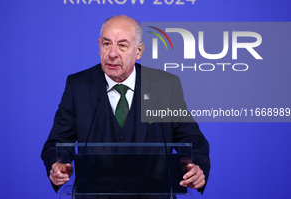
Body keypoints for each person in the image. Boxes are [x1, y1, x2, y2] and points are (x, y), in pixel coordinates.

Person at [41, 15, 210, 196]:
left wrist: (196, 166)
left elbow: (192, 138)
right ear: (99, 46)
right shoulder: (78, 86)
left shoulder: (165, 86)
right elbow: (57, 143)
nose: (112, 53)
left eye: (122, 45)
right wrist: (58, 165)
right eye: (107, 44)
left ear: (138, 51)